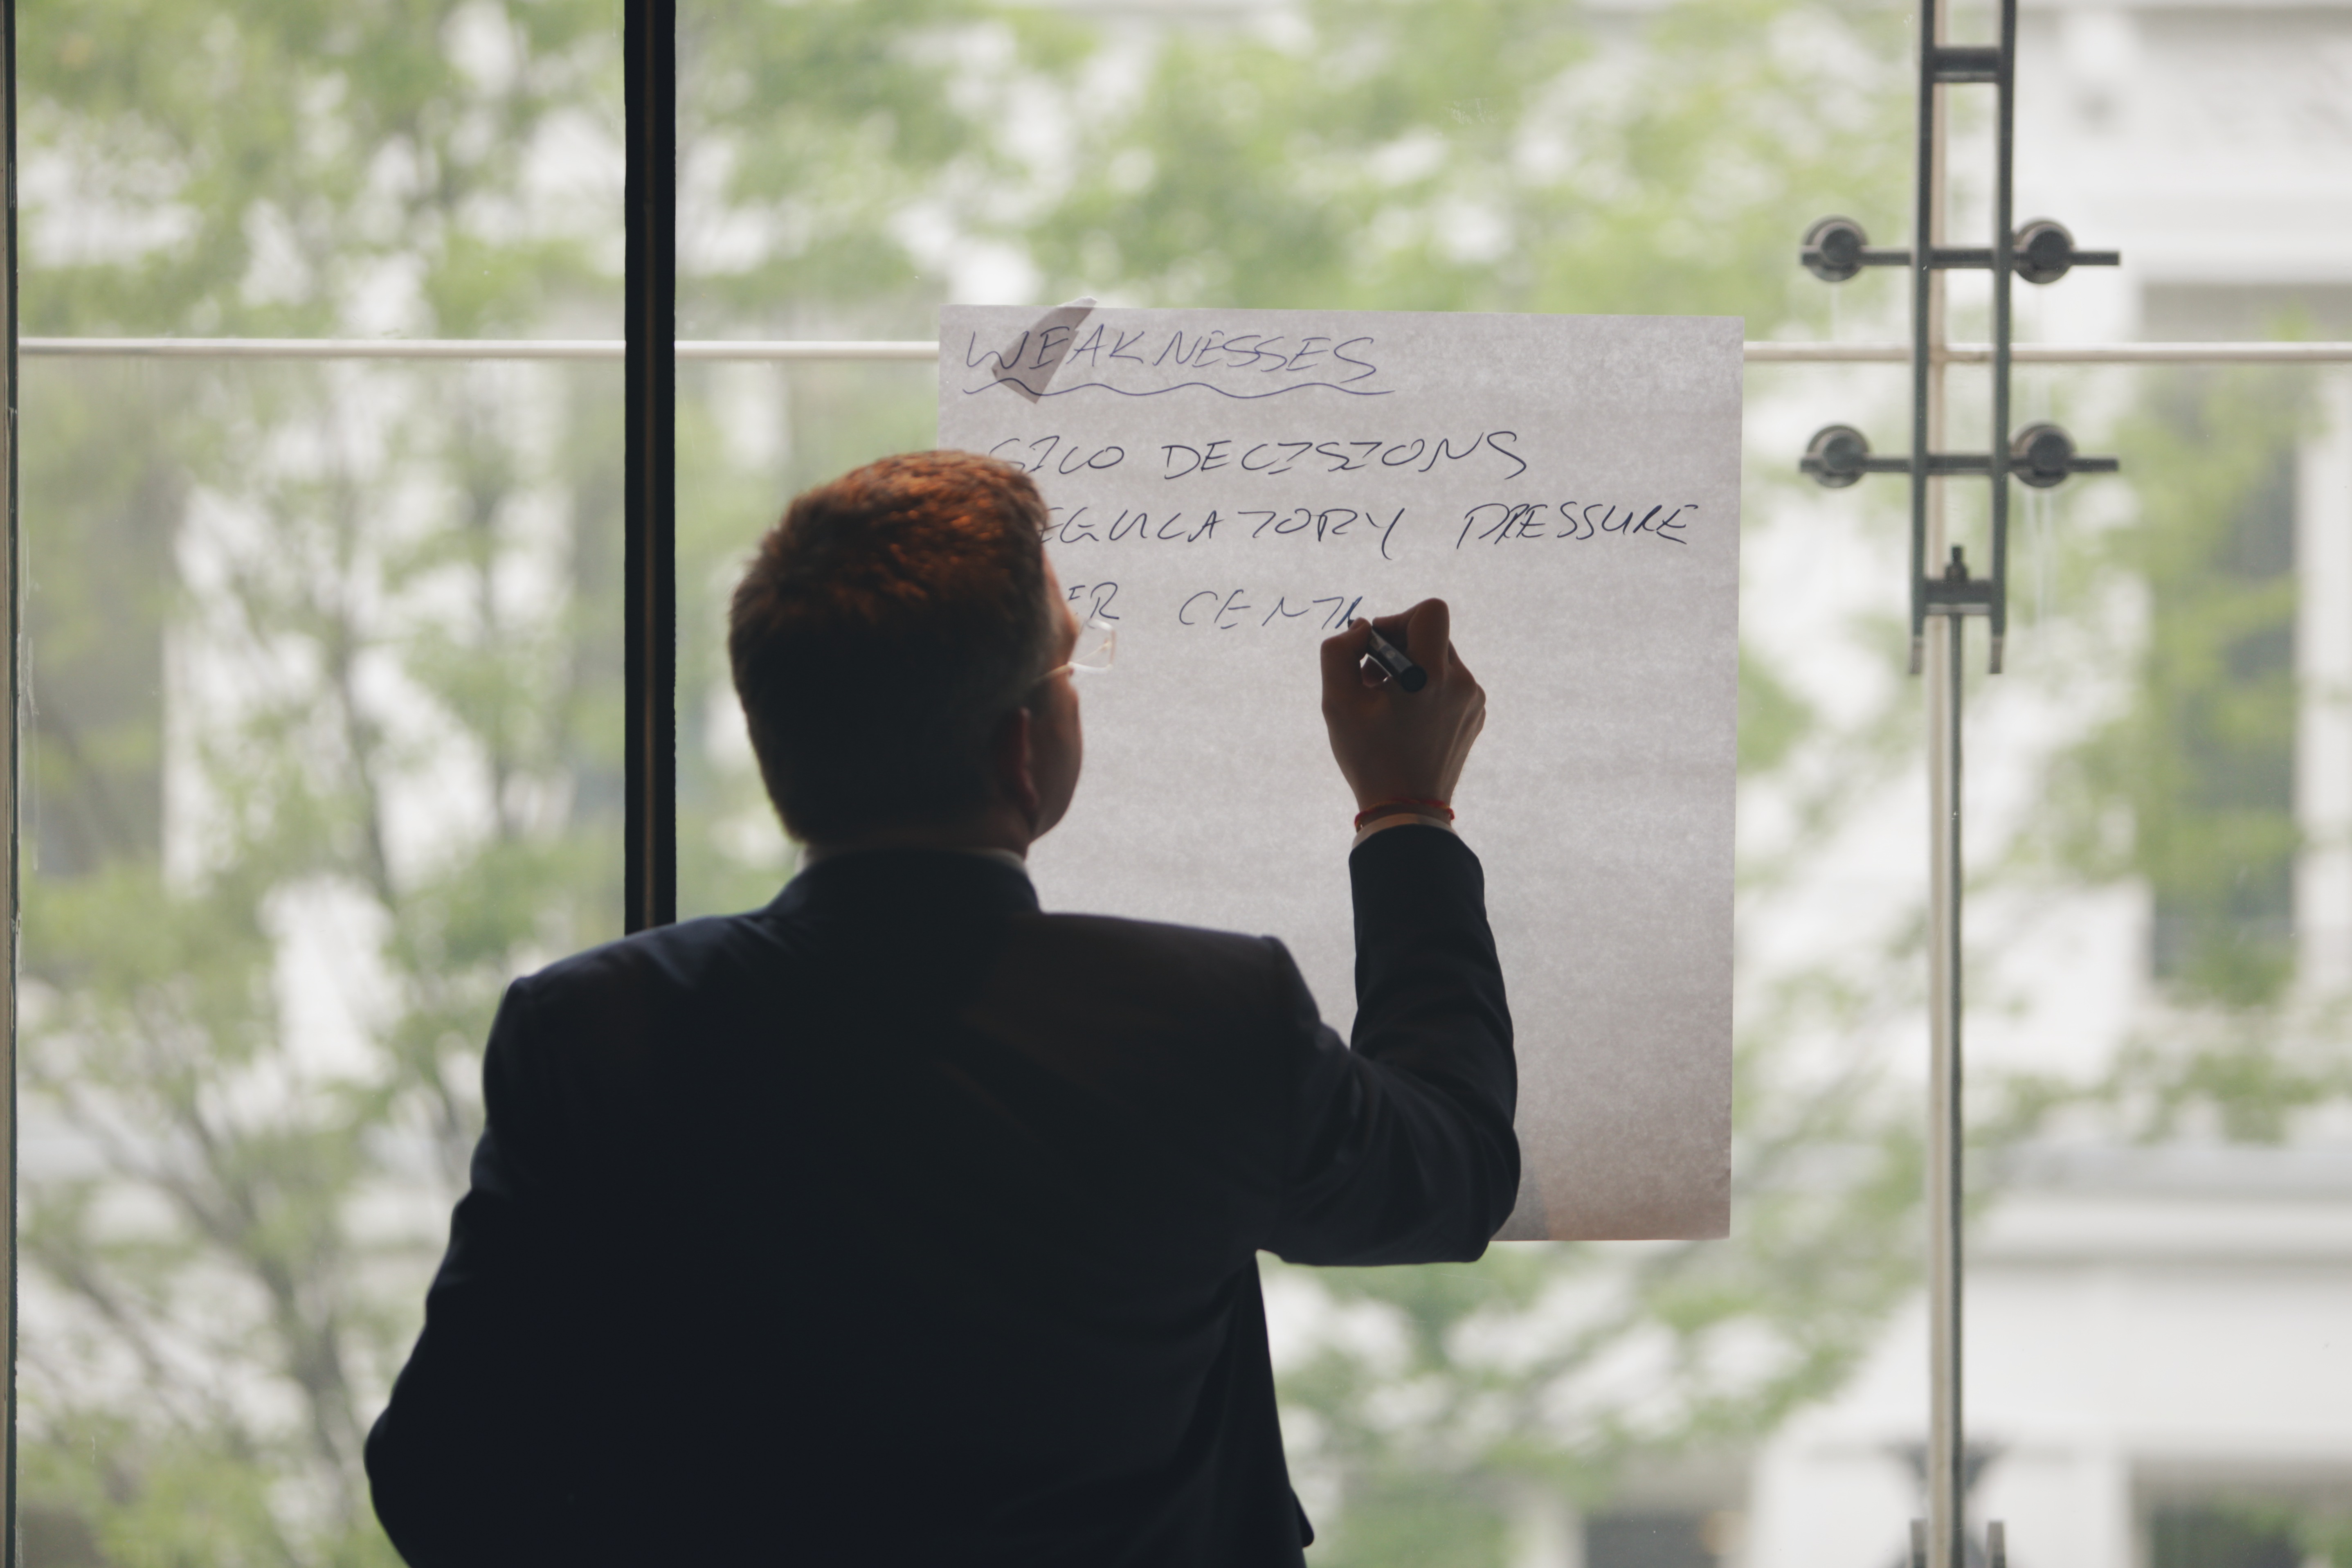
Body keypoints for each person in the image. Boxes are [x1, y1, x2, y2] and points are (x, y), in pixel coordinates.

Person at [364, 449, 1517, 1567]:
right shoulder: (1207, 1020)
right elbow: (1454, 1166)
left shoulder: (593, 1032)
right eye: (1068, 662)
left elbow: (443, 1478)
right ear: (1025, 744)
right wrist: (1406, 809)